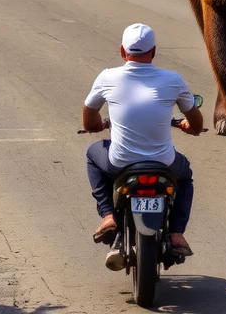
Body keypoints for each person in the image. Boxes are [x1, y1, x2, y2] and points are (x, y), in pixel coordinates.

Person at [82, 23, 203, 271]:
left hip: (120, 163)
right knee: (186, 176)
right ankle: (177, 233)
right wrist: (190, 125)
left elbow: (89, 118)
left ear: (123, 51)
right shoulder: (172, 79)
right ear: (154, 51)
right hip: (164, 164)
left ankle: (107, 216)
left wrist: (97, 125)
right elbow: (197, 122)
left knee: (93, 155)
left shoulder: (107, 77)